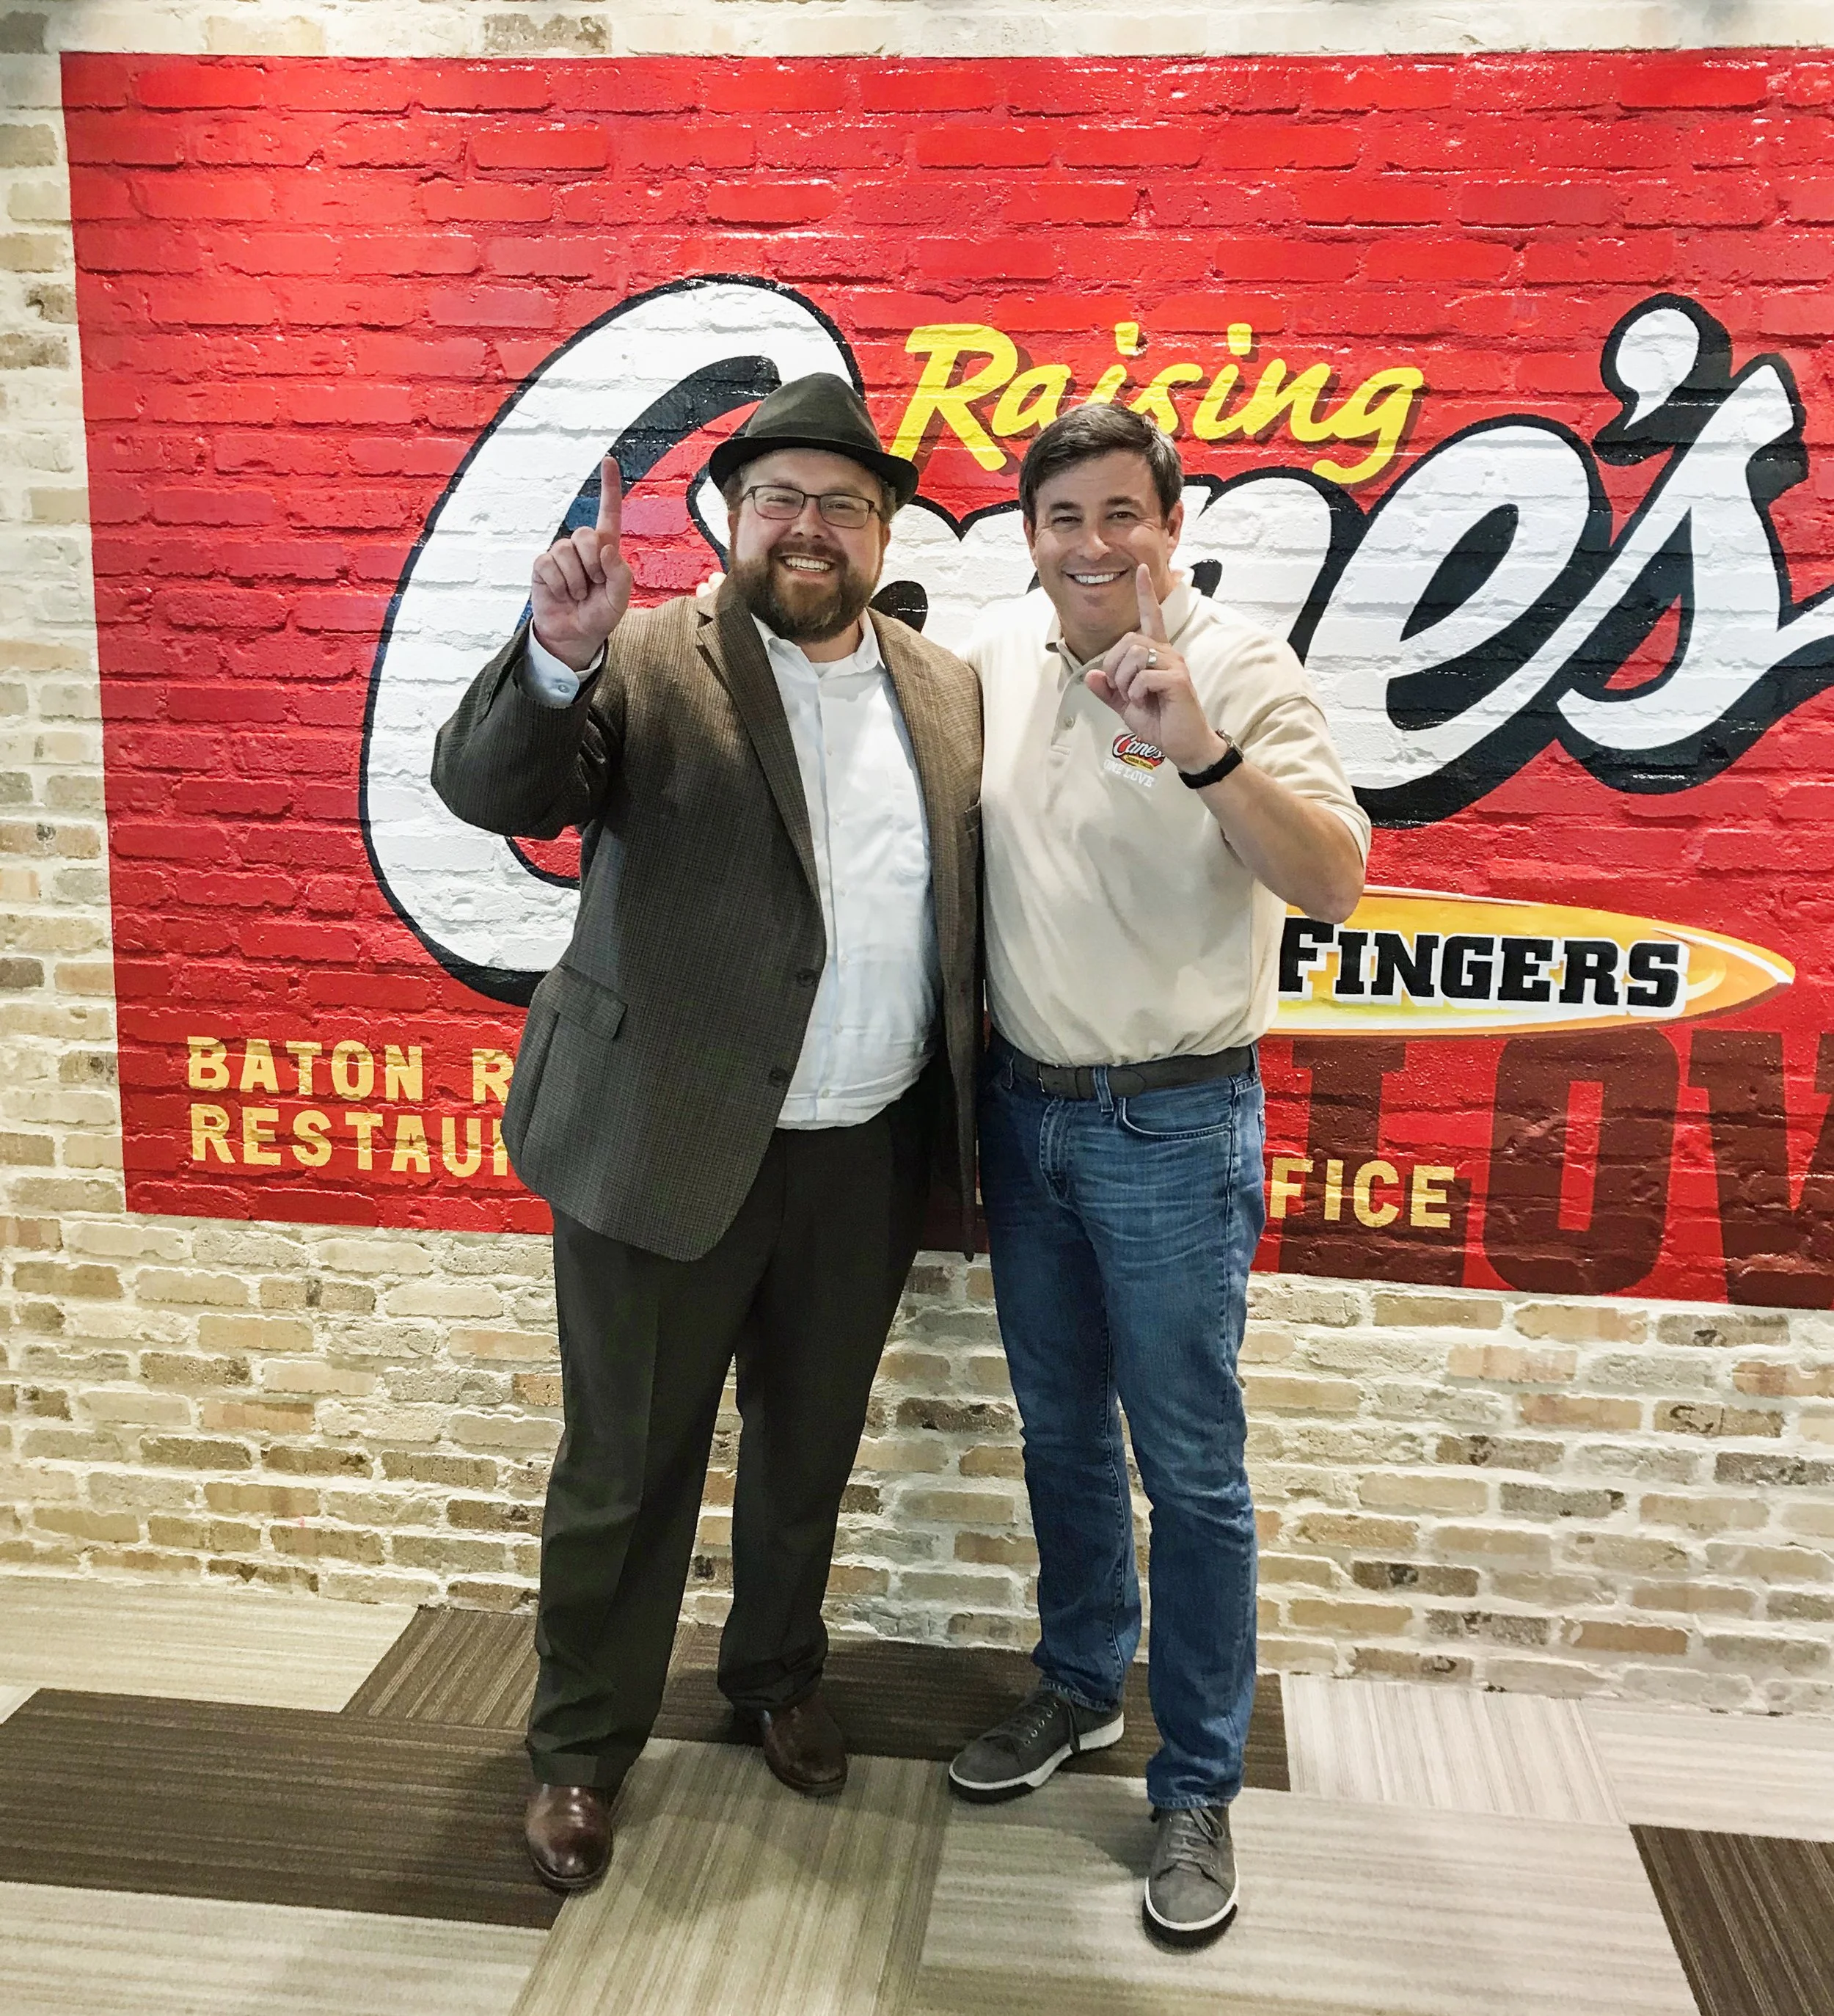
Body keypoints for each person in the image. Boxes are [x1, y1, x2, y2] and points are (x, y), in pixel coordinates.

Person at [431, 373, 982, 1893]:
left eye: (843, 504)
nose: (810, 527)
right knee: (626, 1467)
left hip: (862, 1149)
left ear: (884, 531)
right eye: (780, 498)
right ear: (732, 517)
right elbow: (493, 788)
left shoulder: (944, 688)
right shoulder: (641, 658)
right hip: (660, 1141)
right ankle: (579, 1750)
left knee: (808, 1448)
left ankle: (774, 1676)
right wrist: (555, 653)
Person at [947, 404, 1369, 1946]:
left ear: (1171, 526)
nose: (1093, 544)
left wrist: (1200, 747)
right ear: (1029, 535)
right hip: (1025, 1115)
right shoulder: (994, 658)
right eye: (1064, 517)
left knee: (1189, 1470)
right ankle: (1077, 1688)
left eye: (1122, 513)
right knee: (1061, 1436)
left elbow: (1332, 881)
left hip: (1177, 1126)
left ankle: (1196, 1781)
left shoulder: (1239, 666)